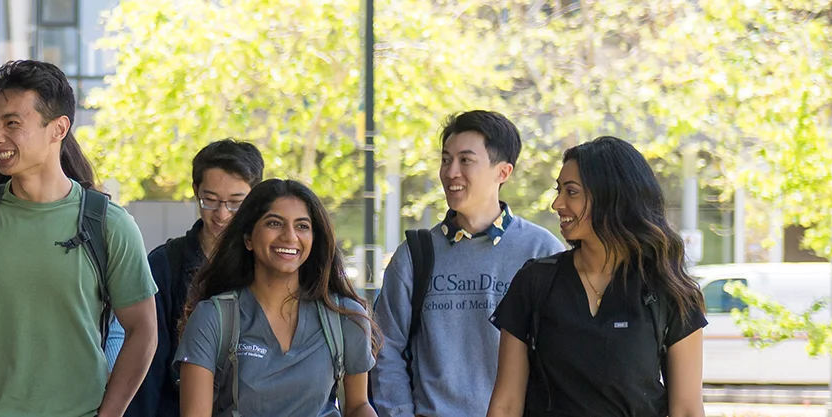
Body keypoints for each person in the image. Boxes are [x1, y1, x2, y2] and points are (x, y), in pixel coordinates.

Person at [0, 59, 159, 417]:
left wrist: (110, 413)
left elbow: (142, 330)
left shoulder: (110, 225)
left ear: (58, 129)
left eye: (12, 124)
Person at [486, 137, 708, 417]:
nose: (557, 203)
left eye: (571, 192)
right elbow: (506, 404)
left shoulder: (669, 291)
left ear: (610, 196)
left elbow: (687, 409)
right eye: (559, 191)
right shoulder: (534, 282)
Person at [370, 110, 566, 417]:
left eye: (465, 160)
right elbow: (385, 348)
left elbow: (561, 355)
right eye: (446, 159)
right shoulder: (415, 255)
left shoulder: (541, 251)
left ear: (503, 172)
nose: (451, 172)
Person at [178, 179, 378, 417]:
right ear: (248, 238)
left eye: (302, 226)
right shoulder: (213, 318)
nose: (290, 236)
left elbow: (357, 406)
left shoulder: (345, 317)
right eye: (274, 223)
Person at [128, 139, 265, 417]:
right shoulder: (166, 264)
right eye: (210, 201)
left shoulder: (266, 262)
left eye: (236, 203)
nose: (222, 214)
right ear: (195, 191)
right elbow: (150, 360)